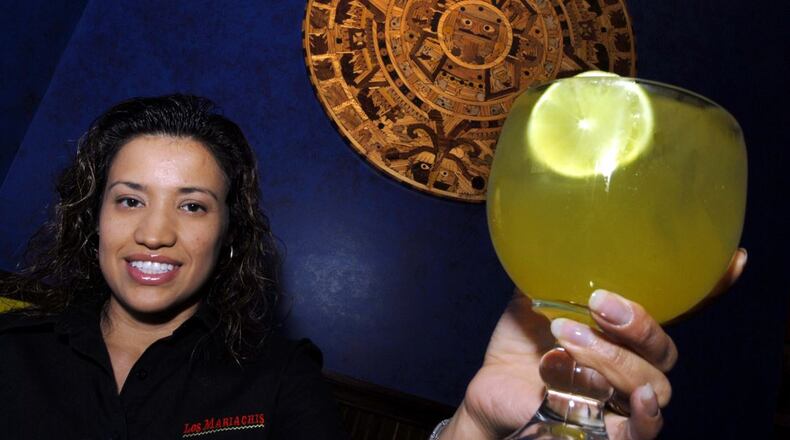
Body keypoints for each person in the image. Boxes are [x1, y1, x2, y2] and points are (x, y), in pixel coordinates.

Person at [0, 94, 746, 439]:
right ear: (92, 218)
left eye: (194, 206)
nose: (155, 233)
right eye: (129, 200)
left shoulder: (280, 377)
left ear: (230, 237)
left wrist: (477, 428)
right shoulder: (11, 355)